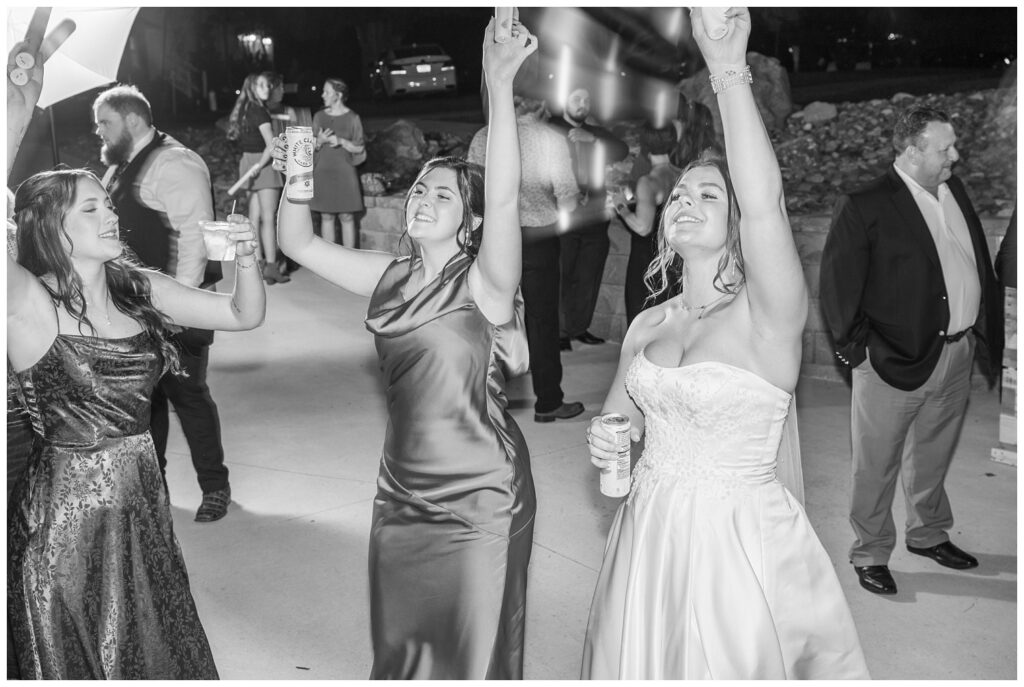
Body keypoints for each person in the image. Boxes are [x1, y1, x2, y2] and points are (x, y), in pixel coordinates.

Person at [582, 9, 869, 679]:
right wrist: (609, 438)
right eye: (679, 193)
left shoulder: (767, 316)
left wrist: (725, 68)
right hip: (648, 533)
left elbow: (765, 198)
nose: (684, 199)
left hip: (738, 547)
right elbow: (622, 420)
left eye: (708, 194)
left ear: (737, 224)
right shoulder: (648, 324)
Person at [275, 17, 538, 679]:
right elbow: (298, 244)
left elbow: (503, 195)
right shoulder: (386, 275)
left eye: (441, 193)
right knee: (405, 653)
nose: (422, 196)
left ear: (469, 220)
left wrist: (498, 84)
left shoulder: (485, 284)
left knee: (472, 656)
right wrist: (295, 172)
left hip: (482, 495)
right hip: (401, 494)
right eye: (419, 186)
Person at [820, 105, 1003, 595]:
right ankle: (871, 551)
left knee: (933, 454)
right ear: (911, 149)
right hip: (891, 361)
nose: (956, 157)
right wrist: (857, 352)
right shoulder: (865, 204)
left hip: (957, 352)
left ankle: (927, 534)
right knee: (875, 463)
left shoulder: (954, 191)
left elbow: (973, 263)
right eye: (945, 149)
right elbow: (838, 288)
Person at [93, 84, 234, 522]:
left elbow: (194, 239)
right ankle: (154, 493)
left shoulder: (175, 164)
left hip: (177, 309)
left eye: (105, 123)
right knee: (145, 403)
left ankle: (215, 487)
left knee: (189, 396)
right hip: (134, 309)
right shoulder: (120, 166)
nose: (99, 132)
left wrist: (178, 310)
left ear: (132, 120)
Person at [468, 95, 586, 423]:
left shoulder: (484, 136)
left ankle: (485, 403)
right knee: (542, 319)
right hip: (538, 237)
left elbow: (473, 191)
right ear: (538, 106)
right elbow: (566, 196)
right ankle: (548, 401)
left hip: (494, 235)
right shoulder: (550, 139)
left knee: (492, 318)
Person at [549, 86, 628, 350]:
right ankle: (558, 332)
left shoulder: (595, 132)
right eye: (576, 99)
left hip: (594, 215)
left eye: (587, 99)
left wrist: (591, 140)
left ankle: (578, 328)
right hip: (563, 214)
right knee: (561, 273)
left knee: (588, 274)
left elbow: (622, 149)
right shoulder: (550, 128)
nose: (583, 104)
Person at [610, 123, 682, 326]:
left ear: (645, 147)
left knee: (642, 321)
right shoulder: (683, 174)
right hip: (674, 258)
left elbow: (642, 227)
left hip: (648, 262)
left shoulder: (648, 182)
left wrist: (621, 206)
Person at [228, 73, 289, 284]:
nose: (267, 88)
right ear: (252, 88)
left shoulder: (245, 110)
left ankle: (260, 262)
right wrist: (259, 165)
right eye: (261, 85)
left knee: (255, 218)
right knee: (268, 217)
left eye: (267, 85)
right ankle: (271, 266)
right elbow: (271, 145)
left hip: (249, 162)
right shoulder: (260, 112)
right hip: (261, 165)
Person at [310, 77, 365, 248]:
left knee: (347, 216)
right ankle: (329, 262)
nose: (322, 95)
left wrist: (341, 141)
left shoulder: (353, 118)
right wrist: (319, 140)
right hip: (323, 172)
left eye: (327, 92)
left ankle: (348, 260)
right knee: (326, 216)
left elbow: (360, 148)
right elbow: (310, 146)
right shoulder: (319, 116)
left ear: (338, 95)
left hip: (345, 173)